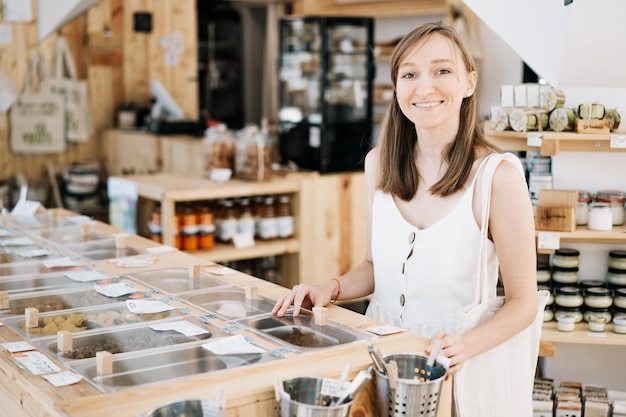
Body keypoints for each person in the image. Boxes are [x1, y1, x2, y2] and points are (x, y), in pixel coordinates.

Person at [272, 21, 539, 413]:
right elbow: (374, 267)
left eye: (442, 71)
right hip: (383, 365)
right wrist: (329, 288)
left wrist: (463, 346)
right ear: (396, 86)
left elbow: (524, 303)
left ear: (469, 82)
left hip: (455, 378)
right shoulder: (378, 164)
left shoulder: (497, 176)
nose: (424, 87)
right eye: (409, 74)